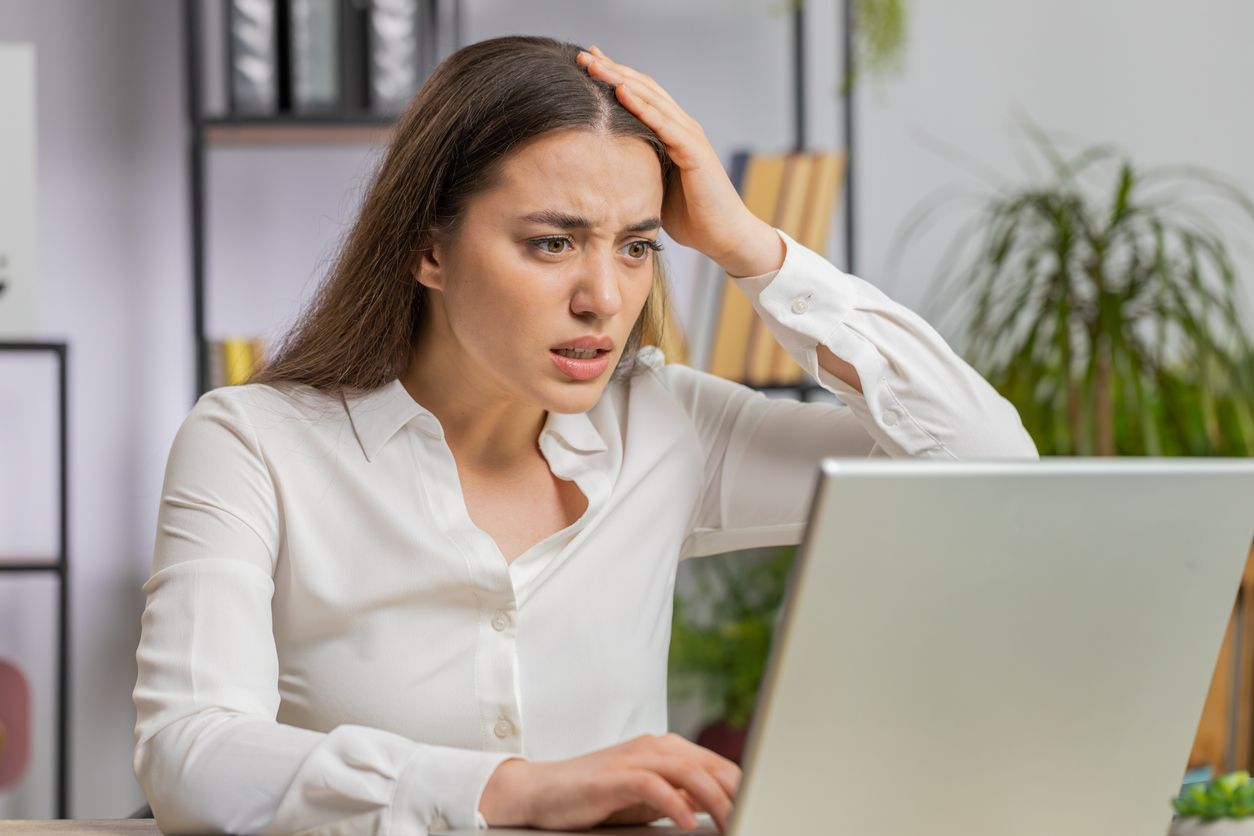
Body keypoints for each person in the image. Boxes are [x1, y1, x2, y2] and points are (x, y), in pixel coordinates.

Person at [132, 35, 1038, 836]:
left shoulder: (665, 424)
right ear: (429, 249)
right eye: (553, 243)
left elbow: (989, 466)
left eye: (637, 246)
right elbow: (190, 755)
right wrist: (512, 790)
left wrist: (749, 248)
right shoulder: (252, 443)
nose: (604, 299)